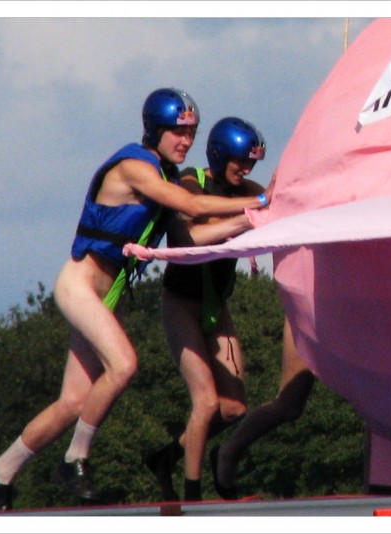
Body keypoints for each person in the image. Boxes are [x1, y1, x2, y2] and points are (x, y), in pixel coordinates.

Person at [0, 89, 269, 512]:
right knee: (125, 364)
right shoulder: (136, 167)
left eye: (191, 133)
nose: (186, 141)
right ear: (155, 130)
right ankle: (75, 460)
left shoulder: (163, 175)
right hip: (82, 284)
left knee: (74, 402)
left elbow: (195, 227)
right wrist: (259, 202)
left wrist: (262, 207)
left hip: (111, 294)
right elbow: (193, 206)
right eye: (178, 132)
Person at [144, 117, 268, 501]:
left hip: (216, 305)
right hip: (181, 303)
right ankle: (192, 497)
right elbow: (187, 237)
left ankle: (168, 457)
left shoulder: (248, 189)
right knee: (206, 401)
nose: (246, 171)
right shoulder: (188, 181)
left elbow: (279, 200)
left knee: (232, 408)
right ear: (219, 154)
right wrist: (244, 221)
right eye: (240, 162)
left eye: (251, 164)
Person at [210, 316, 315, 499]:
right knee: (290, 404)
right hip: (312, 310)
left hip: (358, 310)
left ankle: (377, 486)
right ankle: (229, 451)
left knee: (371, 396)